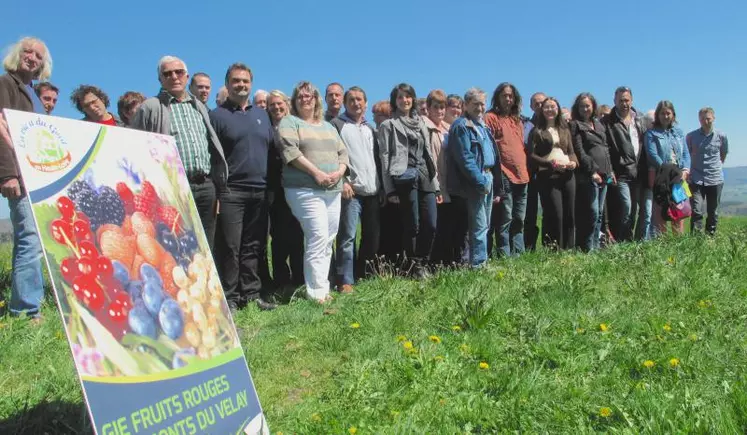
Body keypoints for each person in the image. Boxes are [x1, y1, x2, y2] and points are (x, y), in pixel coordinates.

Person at [132, 55, 228, 249]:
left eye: (179, 72)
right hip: (176, 188)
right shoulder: (150, 107)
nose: (174, 77)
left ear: (186, 76)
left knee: (207, 242)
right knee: (179, 242)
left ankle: (207, 280)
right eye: (167, 74)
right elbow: (136, 145)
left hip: (206, 185)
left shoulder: (199, 107)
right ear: (160, 79)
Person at [210, 63, 276, 312]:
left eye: (245, 81)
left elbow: (270, 152)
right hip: (231, 191)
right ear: (227, 85)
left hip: (259, 191)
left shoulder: (261, 115)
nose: (241, 85)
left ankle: (251, 294)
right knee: (230, 246)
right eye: (236, 81)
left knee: (253, 246)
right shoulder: (217, 116)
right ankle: (230, 297)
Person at [275, 81, 348, 303]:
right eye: (300, 97)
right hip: (304, 189)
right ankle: (316, 294)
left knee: (328, 239)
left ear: (316, 100)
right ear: (294, 101)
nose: (305, 99)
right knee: (317, 236)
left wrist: (340, 172)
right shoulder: (289, 122)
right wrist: (316, 173)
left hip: (332, 189)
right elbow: (290, 150)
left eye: (309, 96)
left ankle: (323, 287)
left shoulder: (328, 126)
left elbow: (343, 153)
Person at [0, 37, 53, 321]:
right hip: (19, 174)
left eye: (38, 55)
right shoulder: (5, 84)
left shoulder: (32, 92)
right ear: (16, 55)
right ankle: (25, 311)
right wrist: (7, 173)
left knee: (32, 239)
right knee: (29, 239)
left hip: (38, 175)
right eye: (27, 52)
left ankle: (29, 301)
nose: (31, 57)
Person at [378, 83, 439, 279]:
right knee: (413, 223)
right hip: (403, 177)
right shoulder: (388, 125)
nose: (405, 100)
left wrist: (436, 185)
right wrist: (390, 190)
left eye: (408, 96)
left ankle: (422, 260)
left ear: (412, 99)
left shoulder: (420, 122)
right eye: (400, 97)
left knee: (431, 223)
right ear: (394, 102)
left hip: (424, 176)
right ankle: (414, 267)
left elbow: (428, 152)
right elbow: (385, 157)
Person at [330, 86, 380, 292]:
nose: (356, 103)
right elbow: (332, 157)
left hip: (373, 191)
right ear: (345, 103)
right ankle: (345, 280)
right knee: (347, 237)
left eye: (359, 99)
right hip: (352, 191)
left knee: (371, 236)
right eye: (351, 99)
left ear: (366, 103)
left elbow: (377, 159)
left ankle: (364, 274)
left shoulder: (371, 129)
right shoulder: (336, 125)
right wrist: (343, 181)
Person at [446, 88, 502, 267]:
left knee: (484, 225)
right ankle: (478, 266)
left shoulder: (482, 125)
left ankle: (480, 261)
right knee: (478, 226)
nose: (480, 107)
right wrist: (480, 181)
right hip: (476, 181)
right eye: (475, 104)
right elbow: (465, 158)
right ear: (466, 105)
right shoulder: (462, 125)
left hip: (488, 176)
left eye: (482, 104)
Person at [484, 83, 529, 257]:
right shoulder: (491, 117)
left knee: (519, 219)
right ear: (498, 97)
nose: (508, 99)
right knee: (505, 219)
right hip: (504, 173)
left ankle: (519, 254)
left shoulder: (517, 120)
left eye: (511, 96)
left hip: (522, 175)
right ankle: (504, 255)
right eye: (504, 95)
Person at [266, 90, 304, 290]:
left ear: (287, 104)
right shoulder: (266, 128)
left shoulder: (297, 125)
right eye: (272, 105)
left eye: (279, 103)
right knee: (278, 236)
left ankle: (299, 278)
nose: (276, 107)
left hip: (296, 185)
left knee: (297, 234)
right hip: (274, 189)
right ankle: (281, 280)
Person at [529, 97, 578, 249]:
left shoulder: (565, 129)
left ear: (558, 110)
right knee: (556, 214)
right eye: (547, 107)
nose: (550, 110)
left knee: (569, 213)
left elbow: (571, 151)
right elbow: (531, 155)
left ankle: (569, 248)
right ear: (542, 110)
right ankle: (554, 249)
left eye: (553, 107)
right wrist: (548, 163)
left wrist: (574, 162)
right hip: (548, 175)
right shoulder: (536, 131)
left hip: (567, 174)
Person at [602, 86, 648, 242]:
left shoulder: (639, 119)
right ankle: (622, 240)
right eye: (620, 100)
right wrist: (610, 170)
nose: (624, 104)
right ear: (614, 101)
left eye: (626, 100)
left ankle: (628, 240)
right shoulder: (607, 122)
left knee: (633, 209)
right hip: (620, 171)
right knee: (626, 206)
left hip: (638, 171)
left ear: (632, 100)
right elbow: (605, 149)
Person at [424, 90, 463, 265]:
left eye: (442, 107)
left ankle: (447, 262)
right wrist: (435, 185)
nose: (439, 111)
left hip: (451, 184)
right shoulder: (424, 127)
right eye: (436, 107)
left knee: (449, 226)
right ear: (428, 108)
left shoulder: (449, 129)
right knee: (434, 226)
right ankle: (432, 264)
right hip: (434, 183)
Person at [569, 92, 612, 251]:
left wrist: (610, 170)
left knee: (600, 213)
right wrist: (592, 171)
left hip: (604, 173)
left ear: (593, 106)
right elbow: (579, 151)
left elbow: (605, 148)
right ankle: (587, 248)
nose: (585, 109)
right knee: (591, 213)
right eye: (582, 106)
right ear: (577, 108)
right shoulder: (575, 125)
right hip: (589, 176)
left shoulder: (599, 124)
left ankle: (595, 247)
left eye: (588, 105)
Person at [645, 100, 691, 236]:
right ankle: (662, 242)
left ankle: (678, 241)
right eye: (662, 113)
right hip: (660, 175)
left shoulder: (679, 133)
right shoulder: (651, 134)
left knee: (679, 206)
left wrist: (685, 170)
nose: (665, 116)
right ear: (657, 115)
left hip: (679, 175)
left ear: (673, 115)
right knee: (661, 209)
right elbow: (652, 154)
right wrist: (668, 171)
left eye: (668, 113)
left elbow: (685, 154)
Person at [687, 107, 728, 235]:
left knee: (712, 211)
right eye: (702, 119)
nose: (705, 121)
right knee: (697, 209)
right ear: (699, 120)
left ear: (713, 118)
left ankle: (710, 237)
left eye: (708, 118)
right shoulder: (691, 136)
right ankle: (696, 239)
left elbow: (723, 154)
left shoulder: (721, 136)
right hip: (696, 178)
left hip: (715, 178)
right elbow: (686, 155)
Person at [524, 92, 546, 251]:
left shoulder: (552, 124)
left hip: (549, 174)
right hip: (531, 174)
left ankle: (549, 244)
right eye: (536, 103)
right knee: (530, 212)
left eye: (542, 103)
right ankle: (529, 246)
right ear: (531, 106)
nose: (539, 106)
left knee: (550, 210)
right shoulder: (527, 126)